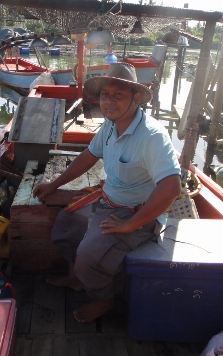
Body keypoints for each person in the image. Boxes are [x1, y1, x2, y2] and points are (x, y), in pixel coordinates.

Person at [32, 63, 181, 323]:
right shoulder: (110, 124)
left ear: (136, 97)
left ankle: (103, 299)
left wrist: (130, 224)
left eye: (118, 95)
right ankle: (74, 279)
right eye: (105, 95)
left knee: (88, 256)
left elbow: (171, 187)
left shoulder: (152, 136)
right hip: (106, 199)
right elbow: (89, 156)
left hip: (135, 213)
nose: (109, 102)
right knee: (66, 223)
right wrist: (54, 185)